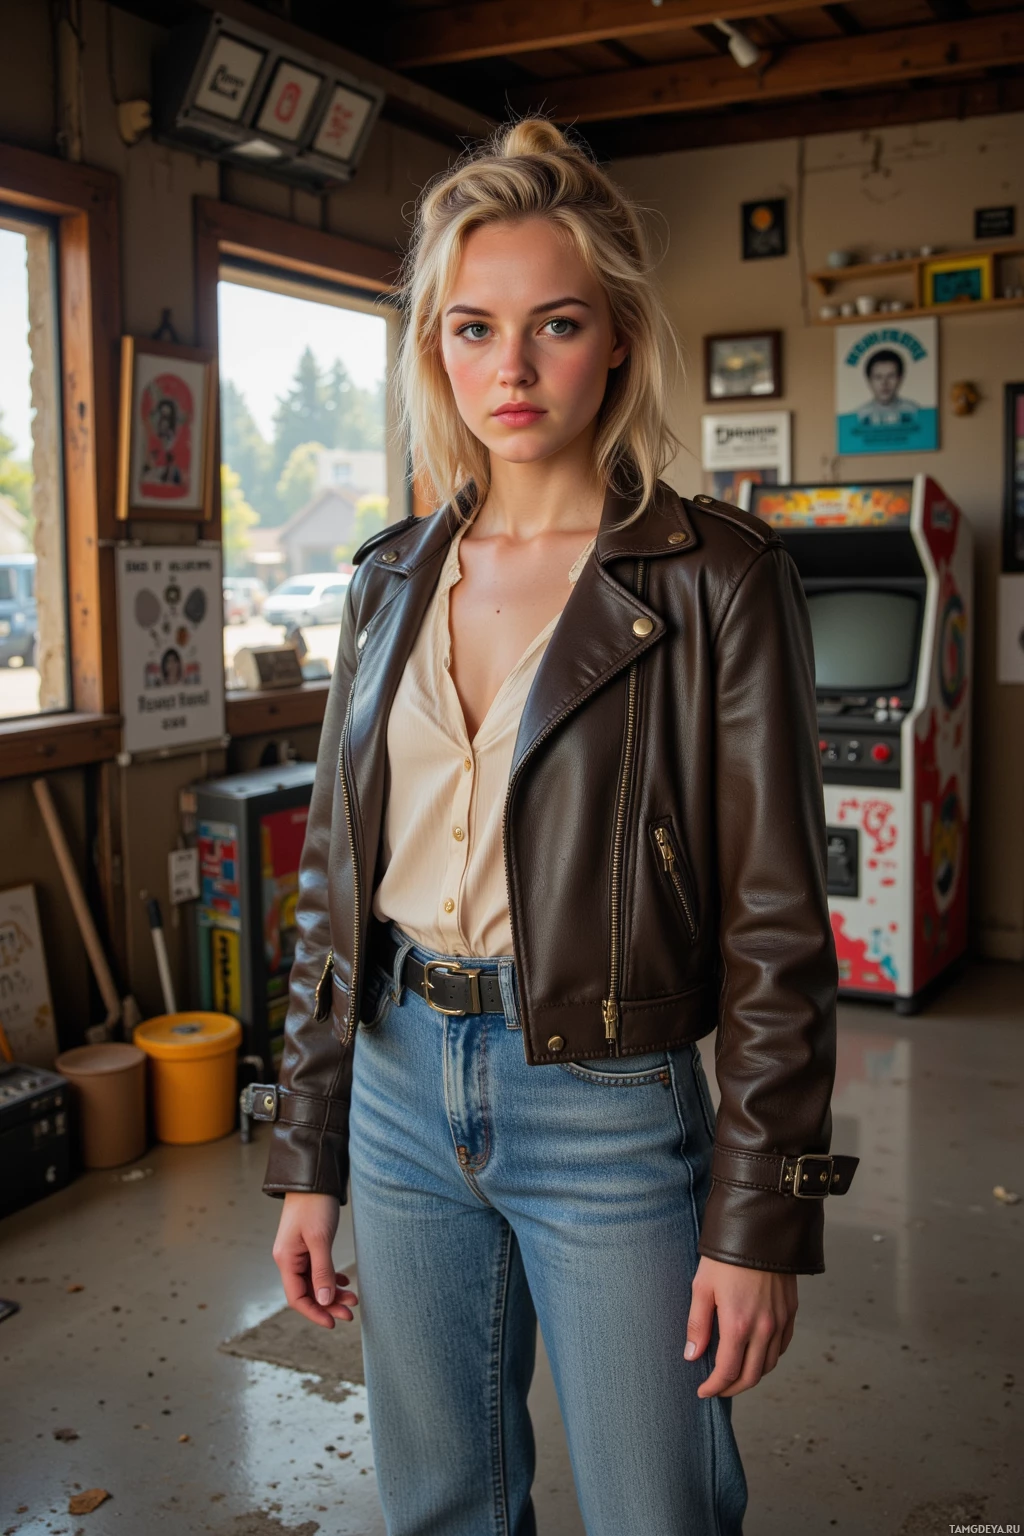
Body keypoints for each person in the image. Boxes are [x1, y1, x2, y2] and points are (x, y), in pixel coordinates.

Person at [261, 118, 857, 1536]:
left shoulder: (719, 579)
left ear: (619, 341)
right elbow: (337, 888)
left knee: (660, 1512)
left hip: (606, 1100)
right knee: (444, 1505)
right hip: (401, 1091)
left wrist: (761, 1214)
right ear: (434, 350)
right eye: (473, 329)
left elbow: (780, 923)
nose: (511, 371)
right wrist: (308, 1151)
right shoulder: (383, 583)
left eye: (556, 325)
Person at [857, 347, 921, 425]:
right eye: (878, 377)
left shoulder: (914, 411)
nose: (884, 383)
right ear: (869, 381)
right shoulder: (860, 415)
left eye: (891, 376)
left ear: (900, 378)